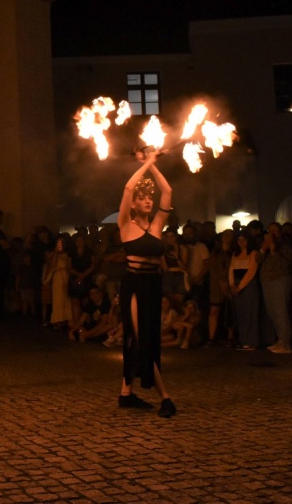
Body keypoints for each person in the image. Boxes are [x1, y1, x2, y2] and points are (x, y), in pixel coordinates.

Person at [117, 150, 176, 418]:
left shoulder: (156, 227)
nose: (148, 200)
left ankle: (126, 394)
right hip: (134, 285)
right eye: (142, 198)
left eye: (149, 197)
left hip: (153, 285)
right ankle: (165, 397)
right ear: (133, 204)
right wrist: (147, 163)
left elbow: (167, 190)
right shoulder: (125, 225)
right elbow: (129, 186)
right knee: (142, 339)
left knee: (143, 338)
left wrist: (153, 167)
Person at [259, 222, 292, 354]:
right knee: (272, 311)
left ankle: (286, 343)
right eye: (270, 230)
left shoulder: (285, 246)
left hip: (280, 280)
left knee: (281, 312)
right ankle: (280, 339)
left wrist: (273, 251)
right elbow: (257, 260)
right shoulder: (265, 246)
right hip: (267, 282)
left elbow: (284, 263)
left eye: (275, 230)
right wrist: (263, 249)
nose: (272, 232)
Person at [229, 231, 259, 351]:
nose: (241, 243)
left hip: (248, 285)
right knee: (240, 313)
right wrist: (232, 285)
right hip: (236, 285)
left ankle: (251, 341)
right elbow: (231, 270)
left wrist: (240, 287)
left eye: (244, 240)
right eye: (239, 240)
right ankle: (243, 339)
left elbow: (251, 271)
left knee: (250, 313)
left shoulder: (253, 253)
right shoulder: (235, 254)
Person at [207, 230, 235, 347]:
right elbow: (212, 268)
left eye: (230, 235)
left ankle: (230, 337)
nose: (227, 237)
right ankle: (211, 338)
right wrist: (220, 281)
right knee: (214, 310)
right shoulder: (215, 252)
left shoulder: (234, 252)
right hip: (216, 284)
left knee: (230, 310)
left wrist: (228, 283)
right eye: (225, 234)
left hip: (231, 283)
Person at [44, 234, 72, 328]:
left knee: (66, 298)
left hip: (66, 276)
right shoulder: (53, 254)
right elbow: (51, 266)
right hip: (57, 277)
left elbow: (69, 266)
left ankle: (66, 318)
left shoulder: (68, 254)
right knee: (58, 298)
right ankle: (57, 319)